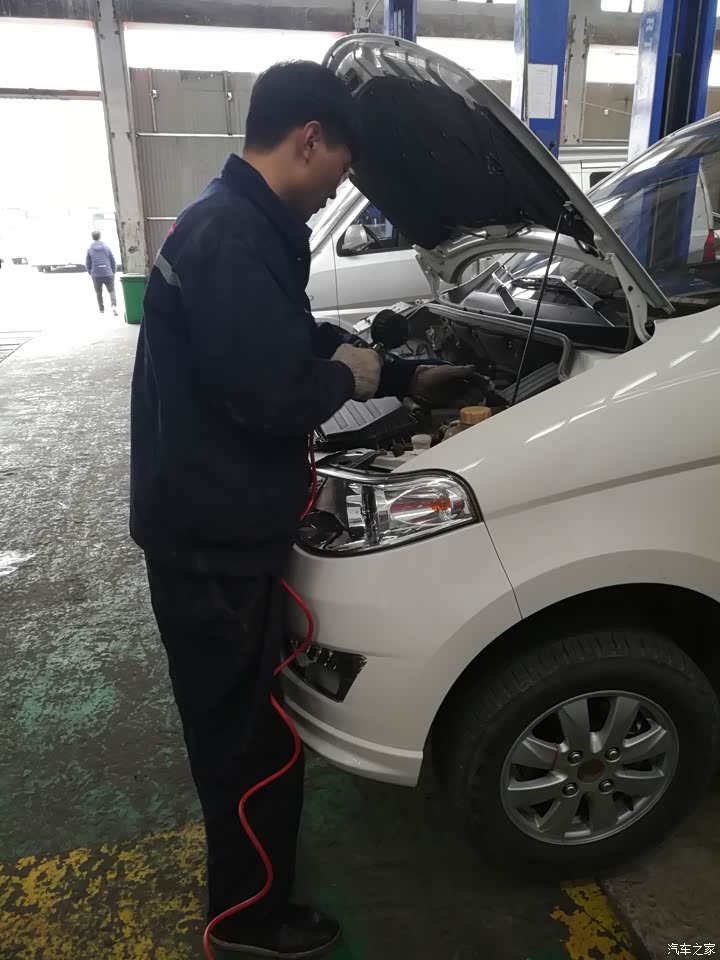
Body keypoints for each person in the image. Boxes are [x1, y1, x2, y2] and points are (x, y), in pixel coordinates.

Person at [130, 61, 469, 958]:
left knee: (240, 728)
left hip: (209, 524)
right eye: (340, 170)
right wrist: (346, 378)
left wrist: (397, 373)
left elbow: (282, 341)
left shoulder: (235, 220)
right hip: (213, 545)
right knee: (246, 743)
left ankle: (249, 892)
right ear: (309, 140)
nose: (334, 193)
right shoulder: (233, 236)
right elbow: (271, 394)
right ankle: (248, 923)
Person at [85, 230, 117, 315]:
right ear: (100, 236)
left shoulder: (90, 249)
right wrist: (113, 271)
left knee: (98, 292)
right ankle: (114, 306)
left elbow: (88, 262)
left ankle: (101, 309)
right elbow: (112, 260)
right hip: (108, 272)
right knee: (111, 290)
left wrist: (90, 272)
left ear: (92, 237)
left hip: (96, 274)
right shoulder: (106, 247)